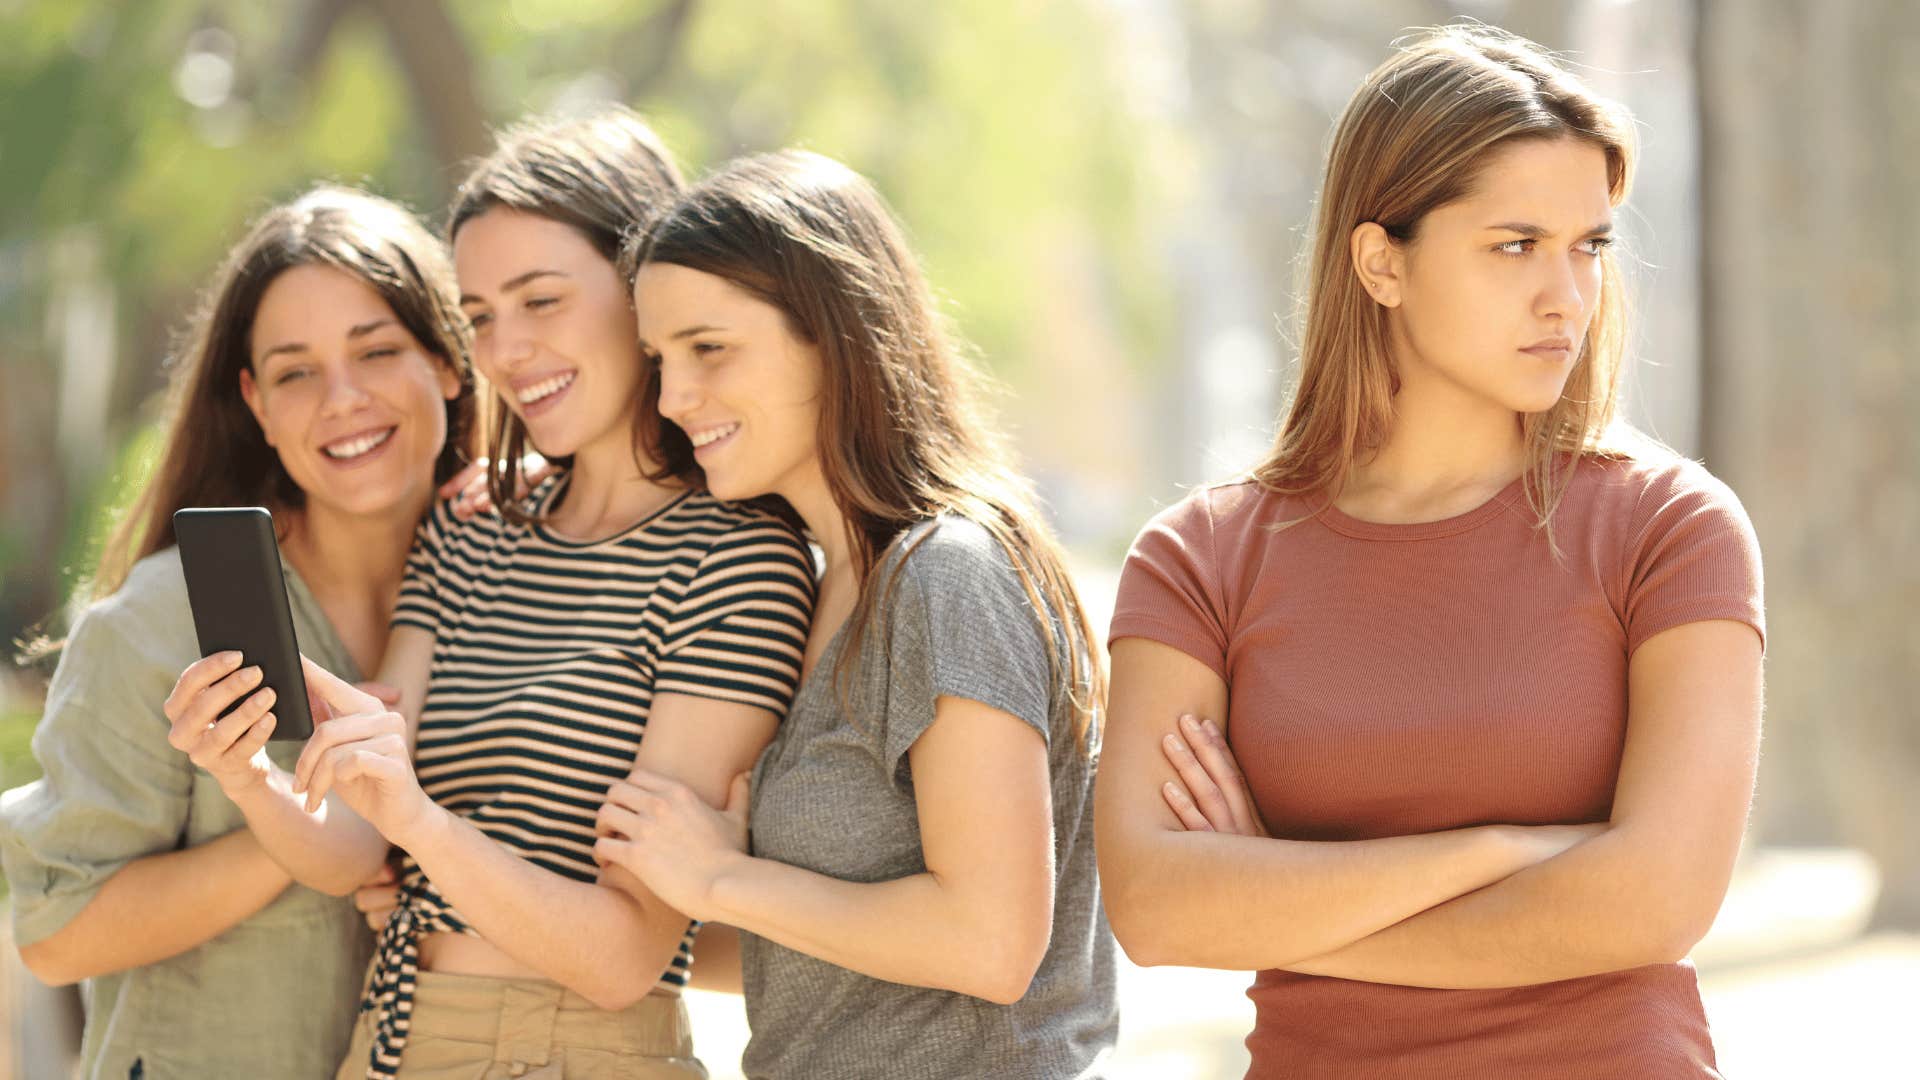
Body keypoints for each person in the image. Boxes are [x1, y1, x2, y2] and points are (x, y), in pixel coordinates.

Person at [1097, 24, 1764, 1079]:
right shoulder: (1203, 560)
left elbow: (1658, 902)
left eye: (1589, 245)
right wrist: (1500, 852)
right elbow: (1152, 908)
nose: (1568, 296)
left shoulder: (1669, 529)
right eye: (1516, 245)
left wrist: (1277, 896)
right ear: (1380, 261)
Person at [163, 108, 817, 1080]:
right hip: (392, 1040)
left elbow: (622, 957)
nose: (506, 350)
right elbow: (354, 842)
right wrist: (245, 775)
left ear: (647, 289)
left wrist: (421, 825)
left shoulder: (734, 560)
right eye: (478, 316)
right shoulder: (472, 528)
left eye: (541, 300)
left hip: (568, 1054)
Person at [596, 149, 1119, 1079]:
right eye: (660, 361)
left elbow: (990, 943)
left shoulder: (948, 573)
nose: (674, 399)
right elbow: (814, 965)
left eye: (709, 348)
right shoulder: (823, 581)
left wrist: (722, 877)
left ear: (835, 332)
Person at [0, 185, 478, 1079]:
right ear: (256, 402)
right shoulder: (159, 623)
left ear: (451, 362)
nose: (343, 398)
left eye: (377, 351)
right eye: (297, 372)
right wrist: (313, 835)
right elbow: (57, 934)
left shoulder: (511, 590)